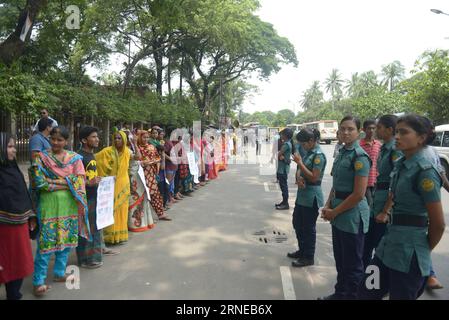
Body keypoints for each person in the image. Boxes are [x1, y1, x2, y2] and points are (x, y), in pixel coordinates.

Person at [358, 115, 445, 300]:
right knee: (366, 291)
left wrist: (420, 252)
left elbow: (438, 224)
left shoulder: (425, 171)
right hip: (387, 247)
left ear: (421, 137)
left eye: (404, 132)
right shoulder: (401, 165)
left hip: (408, 254)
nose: (397, 136)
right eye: (397, 131)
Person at [30, 126, 90, 297]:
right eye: (53, 139)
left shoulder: (74, 158)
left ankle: (59, 273)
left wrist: (54, 182)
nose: (55, 142)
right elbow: (39, 183)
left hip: (69, 206)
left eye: (60, 140)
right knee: (46, 243)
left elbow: (80, 182)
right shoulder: (40, 158)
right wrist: (68, 182)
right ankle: (38, 281)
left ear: (66, 141)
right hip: (48, 207)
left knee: (66, 240)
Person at [319, 116, 372, 300]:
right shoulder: (342, 152)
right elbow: (336, 184)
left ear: (359, 132)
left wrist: (335, 211)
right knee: (341, 261)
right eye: (343, 129)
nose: (346, 132)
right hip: (338, 212)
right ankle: (340, 294)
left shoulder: (360, 157)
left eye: (350, 129)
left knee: (353, 265)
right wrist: (327, 205)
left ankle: (350, 296)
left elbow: (358, 194)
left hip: (352, 215)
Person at [362, 115, 402, 269]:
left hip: (385, 204)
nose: (376, 130)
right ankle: (366, 280)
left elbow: (396, 184)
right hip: (377, 201)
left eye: (378, 127)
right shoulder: (384, 148)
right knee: (368, 243)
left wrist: (386, 211)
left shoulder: (394, 150)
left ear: (389, 130)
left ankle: (376, 284)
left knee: (379, 247)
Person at [0, 133, 36, 300]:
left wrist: (30, 216)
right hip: (3, 229)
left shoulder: (13, 169)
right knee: (5, 263)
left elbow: (22, 194)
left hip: (19, 226)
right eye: (9, 146)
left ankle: (14, 294)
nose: (14, 149)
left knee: (18, 263)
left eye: (14, 146)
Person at [289, 129, 327, 267]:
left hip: (311, 197)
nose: (302, 147)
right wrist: (298, 177)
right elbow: (302, 171)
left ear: (311, 141)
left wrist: (300, 163)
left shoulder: (318, 156)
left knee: (308, 228)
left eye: (303, 144)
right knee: (297, 223)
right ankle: (302, 250)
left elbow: (314, 176)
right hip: (302, 196)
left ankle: (308, 256)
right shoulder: (309, 153)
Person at [96, 130, 132, 245]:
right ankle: (109, 237)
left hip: (123, 183)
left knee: (122, 209)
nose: (117, 140)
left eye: (119, 138)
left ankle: (120, 236)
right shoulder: (107, 151)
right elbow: (96, 159)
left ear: (124, 140)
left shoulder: (127, 151)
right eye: (115, 138)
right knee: (111, 209)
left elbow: (138, 157)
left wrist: (135, 143)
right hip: (110, 184)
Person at [76, 126, 104, 269]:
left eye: (97, 136)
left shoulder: (91, 155)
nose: (97, 139)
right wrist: (89, 182)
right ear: (84, 140)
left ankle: (94, 256)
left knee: (94, 227)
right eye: (93, 137)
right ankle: (85, 259)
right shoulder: (79, 157)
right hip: (84, 199)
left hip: (94, 196)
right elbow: (75, 180)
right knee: (85, 228)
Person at [137, 130, 171, 221]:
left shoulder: (152, 146)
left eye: (147, 137)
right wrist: (144, 162)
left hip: (151, 174)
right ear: (140, 137)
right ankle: (144, 218)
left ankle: (160, 214)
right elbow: (137, 161)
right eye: (144, 137)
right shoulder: (137, 148)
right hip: (141, 175)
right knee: (142, 195)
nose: (146, 139)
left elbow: (157, 157)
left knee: (155, 194)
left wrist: (154, 162)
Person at [127, 131, 156, 232]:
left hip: (138, 176)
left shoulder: (132, 149)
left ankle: (143, 222)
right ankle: (134, 224)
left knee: (142, 198)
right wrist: (135, 144)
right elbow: (138, 157)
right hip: (131, 177)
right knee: (133, 199)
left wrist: (141, 162)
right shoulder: (127, 150)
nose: (131, 140)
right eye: (130, 139)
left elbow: (137, 159)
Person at [360, 119, 382, 208]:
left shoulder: (379, 145)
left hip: (377, 181)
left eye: (373, 128)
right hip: (364, 181)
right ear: (363, 130)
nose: (371, 131)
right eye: (369, 128)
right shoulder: (359, 145)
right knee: (368, 205)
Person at [275, 128, 293, 210]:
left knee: (283, 186)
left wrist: (279, 155)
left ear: (285, 135)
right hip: (283, 168)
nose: (281, 135)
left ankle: (285, 203)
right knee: (283, 185)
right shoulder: (287, 143)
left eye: (282, 134)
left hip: (283, 169)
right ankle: (284, 202)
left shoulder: (286, 145)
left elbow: (279, 154)